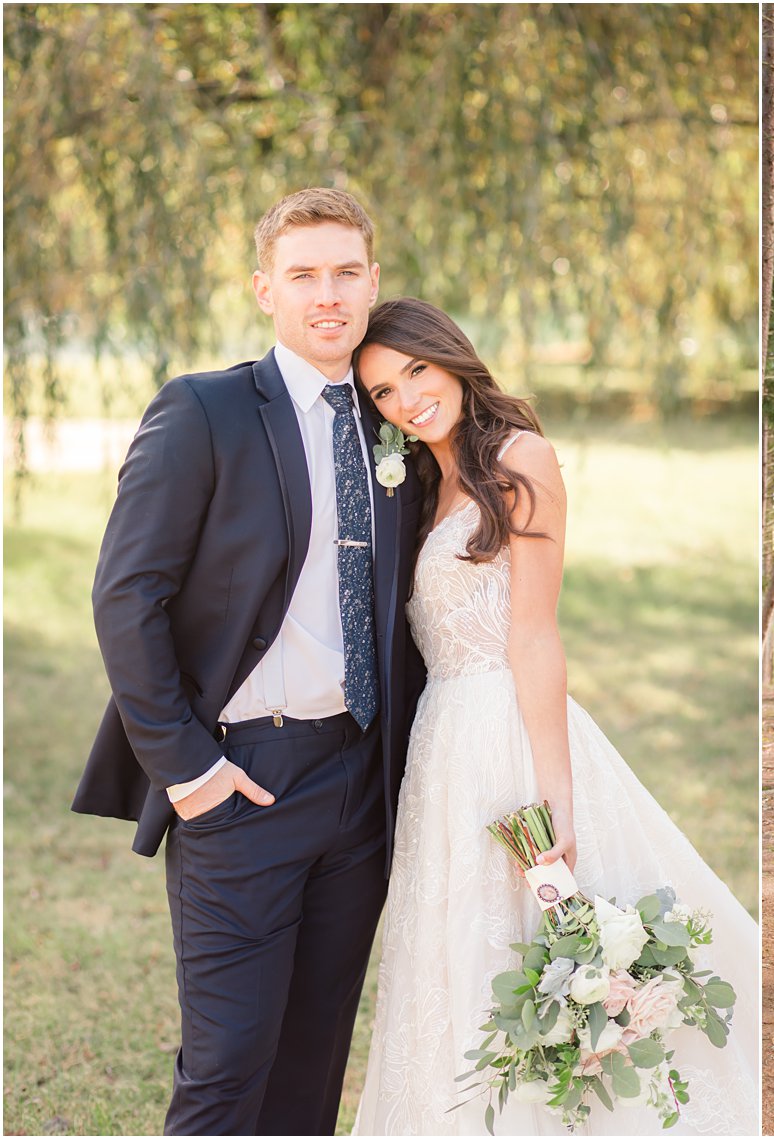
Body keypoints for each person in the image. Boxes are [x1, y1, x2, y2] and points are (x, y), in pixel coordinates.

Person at [348, 298, 760, 1135]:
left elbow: (534, 636)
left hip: (505, 729)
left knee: (530, 941)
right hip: (441, 745)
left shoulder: (519, 456)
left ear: (453, 357)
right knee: (451, 948)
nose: (407, 400)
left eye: (416, 371)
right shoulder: (422, 481)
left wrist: (556, 793)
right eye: (384, 391)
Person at [74, 188, 426, 1133]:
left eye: (346, 272)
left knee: (312, 1073)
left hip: (359, 784)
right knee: (229, 1072)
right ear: (264, 289)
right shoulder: (206, 410)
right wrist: (188, 770)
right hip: (240, 779)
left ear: (373, 283)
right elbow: (126, 596)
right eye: (304, 274)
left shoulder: (400, 422)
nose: (328, 295)